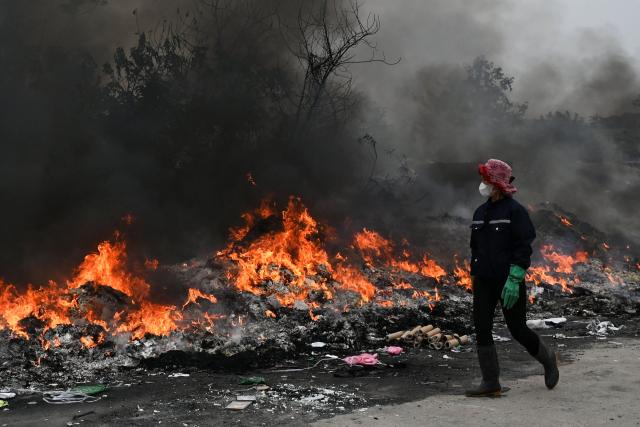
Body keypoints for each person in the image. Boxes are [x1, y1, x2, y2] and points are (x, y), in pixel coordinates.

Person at [465, 159, 559, 397]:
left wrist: (515, 277)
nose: (482, 185)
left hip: (508, 281)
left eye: (486, 180)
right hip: (484, 280)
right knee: (482, 327)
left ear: (496, 184)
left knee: (517, 328)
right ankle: (490, 382)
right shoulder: (480, 212)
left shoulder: (514, 212)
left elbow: (523, 245)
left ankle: (548, 359)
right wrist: (474, 276)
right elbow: (476, 248)